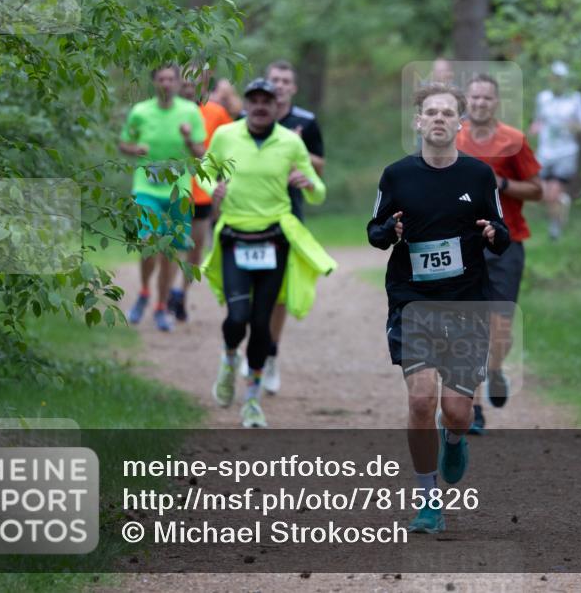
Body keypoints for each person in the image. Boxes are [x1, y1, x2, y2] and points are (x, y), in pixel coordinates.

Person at [368, 82, 511, 533]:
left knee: (456, 411)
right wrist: (389, 230)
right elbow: (374, 231)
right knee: (421, 399)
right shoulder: (396, 176)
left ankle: (455, 438)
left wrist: (494, 236)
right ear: (417, 121)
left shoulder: (478, 176)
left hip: (466, 303)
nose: (438, 119)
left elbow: (503, 232)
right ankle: (428, 499)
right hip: (414, 302)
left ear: (460, 123)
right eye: (431, 112)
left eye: (447, 113)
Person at [199, 78, 335, 428]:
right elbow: (203, 173)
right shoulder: (227, 135)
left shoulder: (290, 142)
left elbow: (319, 191)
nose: (260, 106)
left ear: (277, 106)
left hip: (274, 239)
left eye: (267, 101)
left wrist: (308, 183)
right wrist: (213, 188)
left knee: (262, 325)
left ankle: (252, 401)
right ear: (245, 104)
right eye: (253, 100)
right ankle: (229, 360)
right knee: (237, 317)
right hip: (234, 235)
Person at [456, 73, 543, 434]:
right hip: (465, 244)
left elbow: (537, 190)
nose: (479, 104)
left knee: (500, 326)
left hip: (507, 244)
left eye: (486, 99)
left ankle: (494, 368)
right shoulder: (452, 138)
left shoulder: (514, 141)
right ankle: (474, 409)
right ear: (466, 101)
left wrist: (503, 183)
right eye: (474, 98)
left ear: (496, 103)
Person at [252, 60, 327, 395]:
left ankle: (270, 353)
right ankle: (253, 343)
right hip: (249, 212)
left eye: (285, 81)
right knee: (251, 287)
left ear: (293, 88)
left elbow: (320, 168)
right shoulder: (247, 118)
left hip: (289, 213)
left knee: (278, 291)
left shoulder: (306, 122)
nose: (279, 86)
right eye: (274, 80)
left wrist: (295, 150)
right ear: (265, 84)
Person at [119, 64, 206, 332]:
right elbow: (124, 144)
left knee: (169, 249)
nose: (166, 84)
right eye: (161, 79)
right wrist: (136, 149)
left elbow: (200, 152)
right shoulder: (140, 111)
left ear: (178, 84)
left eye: (171, 79)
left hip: (178, 190)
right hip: (146, 188)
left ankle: (160, 305)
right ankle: (144, 291)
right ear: (155, 83)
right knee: (148, 242)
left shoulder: (190, 112)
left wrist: (189, 139)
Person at [170, 75, 233, 321]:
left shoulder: (216, 113)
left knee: (194, 249)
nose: (192, 87)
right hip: (171, 190)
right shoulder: (166, 112)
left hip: (202, 191)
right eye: (187, 81)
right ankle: (164, 294)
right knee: (170, 247)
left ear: (206, 85)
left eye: (198, 81)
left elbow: (231, 146)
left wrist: (225, 181)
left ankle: (180, 293)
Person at [529, 61, 581, 240]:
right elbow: (538, 120)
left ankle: (555, 229)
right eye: (554, 77)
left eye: (560, 78)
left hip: (566, 152)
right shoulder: (543, 98)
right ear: (550, 78)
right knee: (542, 193)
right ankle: (562, 203)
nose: (557, 80)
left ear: (566, 79)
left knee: (553, 191)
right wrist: (534, 128)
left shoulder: (575, 99)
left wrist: (573, 126)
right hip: (545, 151)